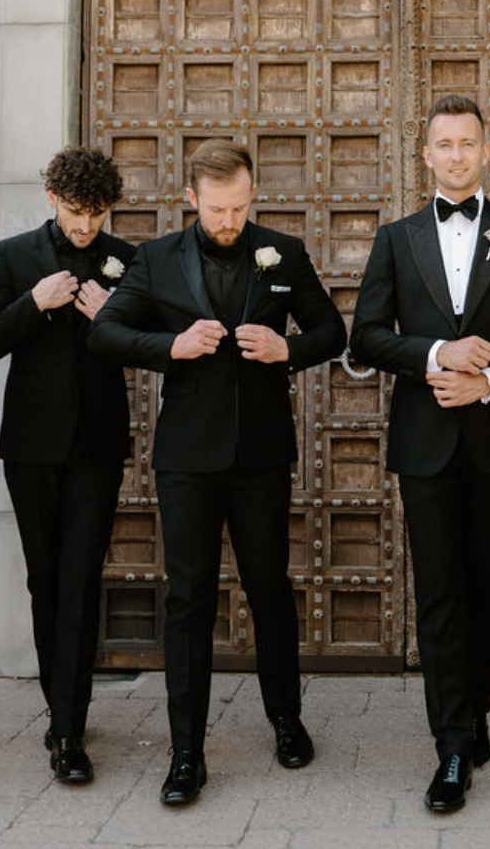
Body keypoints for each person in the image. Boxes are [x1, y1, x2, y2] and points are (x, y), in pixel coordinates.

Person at [88, 139, 345, 806]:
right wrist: (169, 347)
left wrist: (288, 348)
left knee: (269, 588)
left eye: (239, 208)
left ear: (250, 195)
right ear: (191, 199)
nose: (230, 221)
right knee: (190, 599)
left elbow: (332, 332)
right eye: (217, 209)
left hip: (261, 455)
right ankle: (185, 752)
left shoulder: (283, 253)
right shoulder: (155, 259)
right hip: (186, 459)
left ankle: (286, 722)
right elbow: (106, 332)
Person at [348, 94, 490, 813]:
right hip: (424, 443)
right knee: (440, 589)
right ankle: (450, 746)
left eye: (467, 143)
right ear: (426, 154)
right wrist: (438, 352)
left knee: (486, 586)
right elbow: (368, 336)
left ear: (484, 150)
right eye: (443, 144)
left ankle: (473, 710)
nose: (455, 155)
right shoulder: (396, 236)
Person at [0, 146, 136, 784]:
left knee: (81, 580)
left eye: (95, 213)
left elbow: (149, 344)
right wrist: (32, 303)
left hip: (97, 446)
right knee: (46, 581)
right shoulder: (11, 258)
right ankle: (60, 708)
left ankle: (68, 730)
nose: (85, 226)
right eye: (74, 211)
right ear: (50, 198)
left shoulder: (129, 261)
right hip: (31, 446)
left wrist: (110, 314)